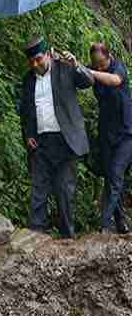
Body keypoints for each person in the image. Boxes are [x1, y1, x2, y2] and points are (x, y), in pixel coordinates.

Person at [16, 37, 92, 238]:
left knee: (64, 192)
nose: (35, 65)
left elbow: (88, 81)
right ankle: (36, 236)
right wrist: (29, 134)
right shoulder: (28, 79)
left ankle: (68, 238)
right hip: (41, 142)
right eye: (31, 62)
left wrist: (76, 65)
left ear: (48, 54)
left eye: (38, 59)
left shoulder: (65, 68)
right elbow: (26, 111)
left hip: (66, 141)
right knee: (38, 190)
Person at [88, 43, 130, 232]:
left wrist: (93, 72)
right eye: (95, 65)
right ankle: (121, 223)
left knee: (115, 176)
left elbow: (114, 80)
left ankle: (104, 225)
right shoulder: (95, 71)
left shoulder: (118, 67)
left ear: (109, 56)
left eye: (101, 64)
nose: (98, 67)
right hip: (106, 134)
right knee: (110, 178)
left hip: (126, 134)